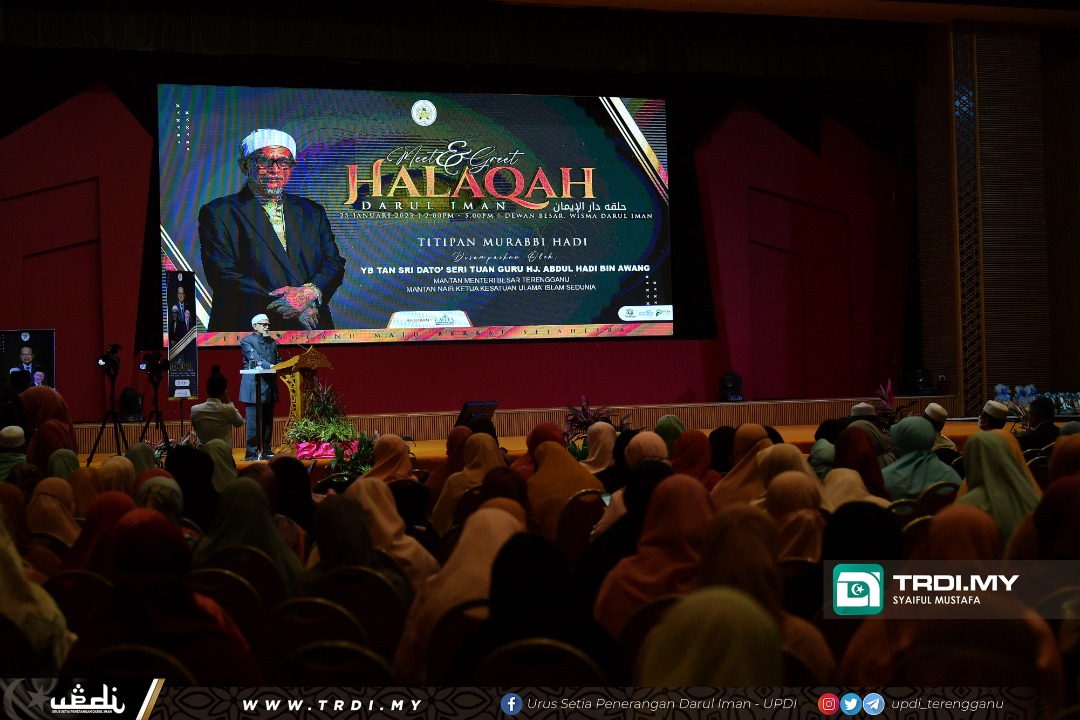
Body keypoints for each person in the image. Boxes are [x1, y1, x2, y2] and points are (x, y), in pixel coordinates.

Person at [199, 128, 346, 331]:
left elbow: (333, 264)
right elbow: (224, 275)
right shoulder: (219, 212)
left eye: (283, 162)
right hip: (249, 328)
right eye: (264, 161)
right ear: (244, 166)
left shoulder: (312, 212)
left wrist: (309, 294)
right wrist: (291, 305)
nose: (275, 170)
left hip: (312, 327)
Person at [240, 313, 281, 460]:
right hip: (255, 387)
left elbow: (278, 359)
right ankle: (252, 452)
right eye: (263, 324)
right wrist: (271, 366)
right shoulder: (246, 341)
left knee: (268, 421)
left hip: (269, 386)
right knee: (253, 422)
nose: (267, 327)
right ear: (254, 326)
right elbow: (255, 358)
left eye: (268, 324)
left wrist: (283, 366)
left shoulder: (271, 341)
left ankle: (266, 449)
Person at [190, 372, 244, 447]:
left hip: (203, 453)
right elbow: (239, 423)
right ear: (224, 392)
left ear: (206, 390)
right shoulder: (229, 409)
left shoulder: (195, 410)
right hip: (223, 453)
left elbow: (196, 429)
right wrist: (229, 401)